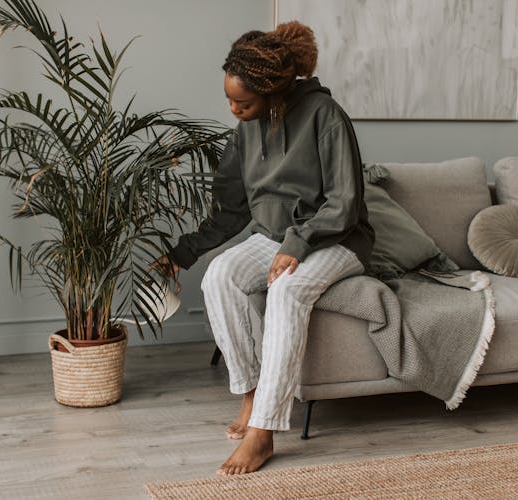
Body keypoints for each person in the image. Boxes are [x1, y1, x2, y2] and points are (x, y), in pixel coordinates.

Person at [156, 21, 374, 475]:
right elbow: (231, 209)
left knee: (287, 290)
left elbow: (345, 202)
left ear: (273, 93)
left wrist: (297, 243)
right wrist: (183, 253)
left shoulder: (325, 115)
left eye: (244, 102)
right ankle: (251, 395)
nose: (234, 109)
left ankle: (265, 431)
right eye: (230, 100)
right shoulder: (246, 128)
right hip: (275, 237)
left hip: (338, 240)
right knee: (220, 275)